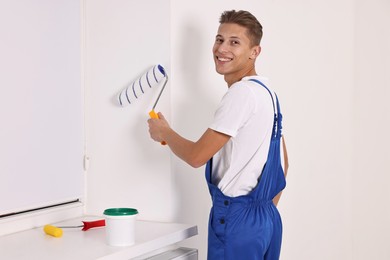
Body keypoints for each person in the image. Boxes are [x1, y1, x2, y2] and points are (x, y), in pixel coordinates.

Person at [148, 10, 289, 260]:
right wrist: (259, 213)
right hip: (266, 220)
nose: (222, 48)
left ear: (254, 52)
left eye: (235, 42)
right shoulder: (268, 94)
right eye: (219, 39)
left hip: (237, 218)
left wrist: (165, 132)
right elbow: (284, 164)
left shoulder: (241, 94)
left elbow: (196, 157)